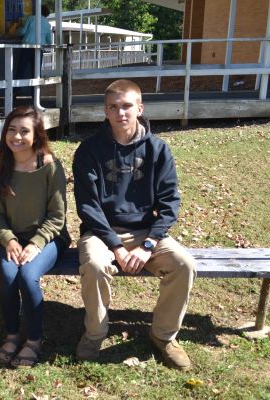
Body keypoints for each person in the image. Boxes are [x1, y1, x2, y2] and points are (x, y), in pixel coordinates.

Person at [72, 79, 196, 371]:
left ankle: (163, 336)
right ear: (105, 111)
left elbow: (169, 203)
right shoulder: (89, 150)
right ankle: (95, 334)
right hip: (101, 233)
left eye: (127, 106)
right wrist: (115, 246)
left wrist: (148, 245)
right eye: (113, 107)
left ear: (139, 108)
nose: (121, 113)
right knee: (94, 265)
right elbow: (88, 206)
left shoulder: (158, 149)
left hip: (146, 232)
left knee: (184, 264)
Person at [0, 106, 70, 368]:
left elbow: (57, 217)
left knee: (27, 275)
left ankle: (34, 339)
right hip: (14, 238)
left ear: (37, 135)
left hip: (49, 238)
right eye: (11, 130)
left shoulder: (50, 167)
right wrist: (9, 240)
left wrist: (37, 243)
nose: (17, 137)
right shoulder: (0, 167)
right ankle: (12, 334)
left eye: (25, 131)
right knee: (9, 274)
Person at [15, 4, 53, 99]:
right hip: (38, 49)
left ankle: (14, 92)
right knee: (36, 73)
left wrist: (17, 28)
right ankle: (35, 95)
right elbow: (49, 41)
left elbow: (22, 32)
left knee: (21, 70)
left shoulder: (31, 18)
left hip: (27, 47)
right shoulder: (47, 25)